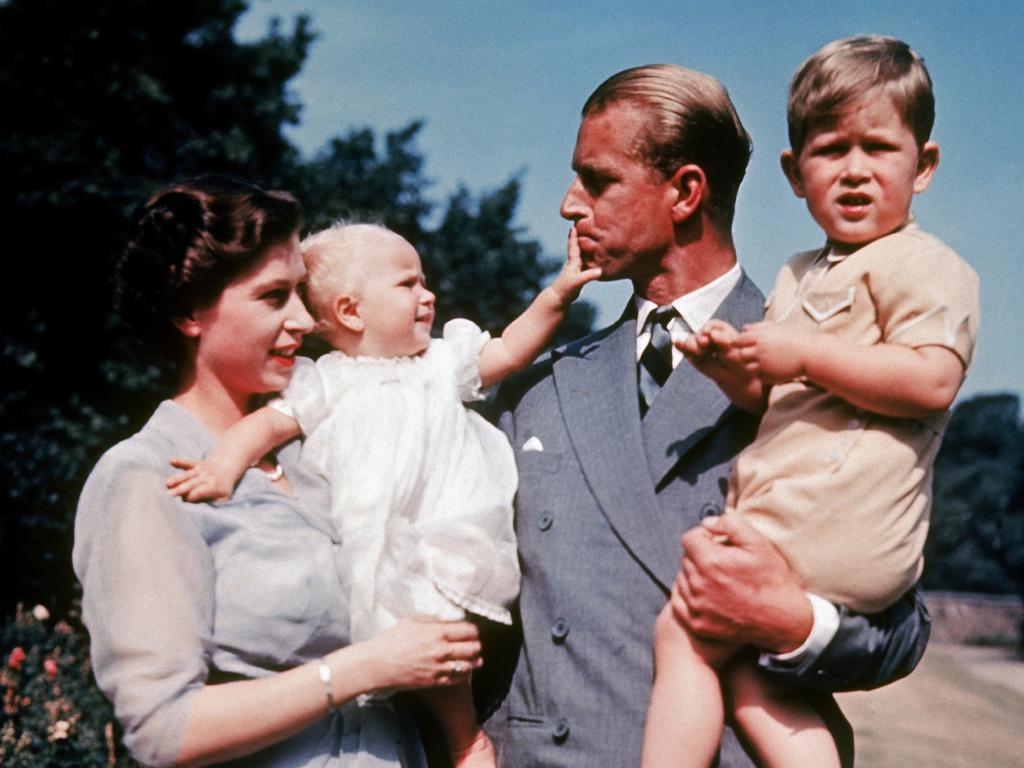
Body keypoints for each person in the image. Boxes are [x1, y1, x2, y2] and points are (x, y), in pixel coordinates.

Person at [480, 64, 933, 767]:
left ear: (686, 191)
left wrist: (790, 621)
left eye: (597, 181)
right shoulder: (539, 384)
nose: (570, 205)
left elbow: (902, 628)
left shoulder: (828, 367)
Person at [644, 36, 980, 768]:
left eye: (879, 149)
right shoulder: (800, 273)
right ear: (796, 174)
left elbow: (932, 381)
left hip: (842, 521)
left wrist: (803, 352)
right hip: (799, 514)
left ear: (922, 166)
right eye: (831, 151)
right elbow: (770, 398)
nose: (855, 171)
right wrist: (732, 368)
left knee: (685, 631)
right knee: (744, 669)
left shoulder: (928, 266)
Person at [73, 176, 487, 768]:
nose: (304, 320)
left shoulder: (322, 452)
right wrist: (363, 667)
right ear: (192, 313)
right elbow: (163, 731)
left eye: (301, 292)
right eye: (273, 298)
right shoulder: (142, 477)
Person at [164, 221, 600, 767]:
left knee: (438, 629)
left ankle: (465, 737)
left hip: (445, 531)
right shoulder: (324, 380)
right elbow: (264, 429)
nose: (429, 294)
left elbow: (509, 350)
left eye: (425, 282)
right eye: (408, 284)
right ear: (351, 311)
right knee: (388, 638)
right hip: (368, 536)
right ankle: (410, 733)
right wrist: (222, 468)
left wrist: (560, 292)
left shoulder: (440, 364)